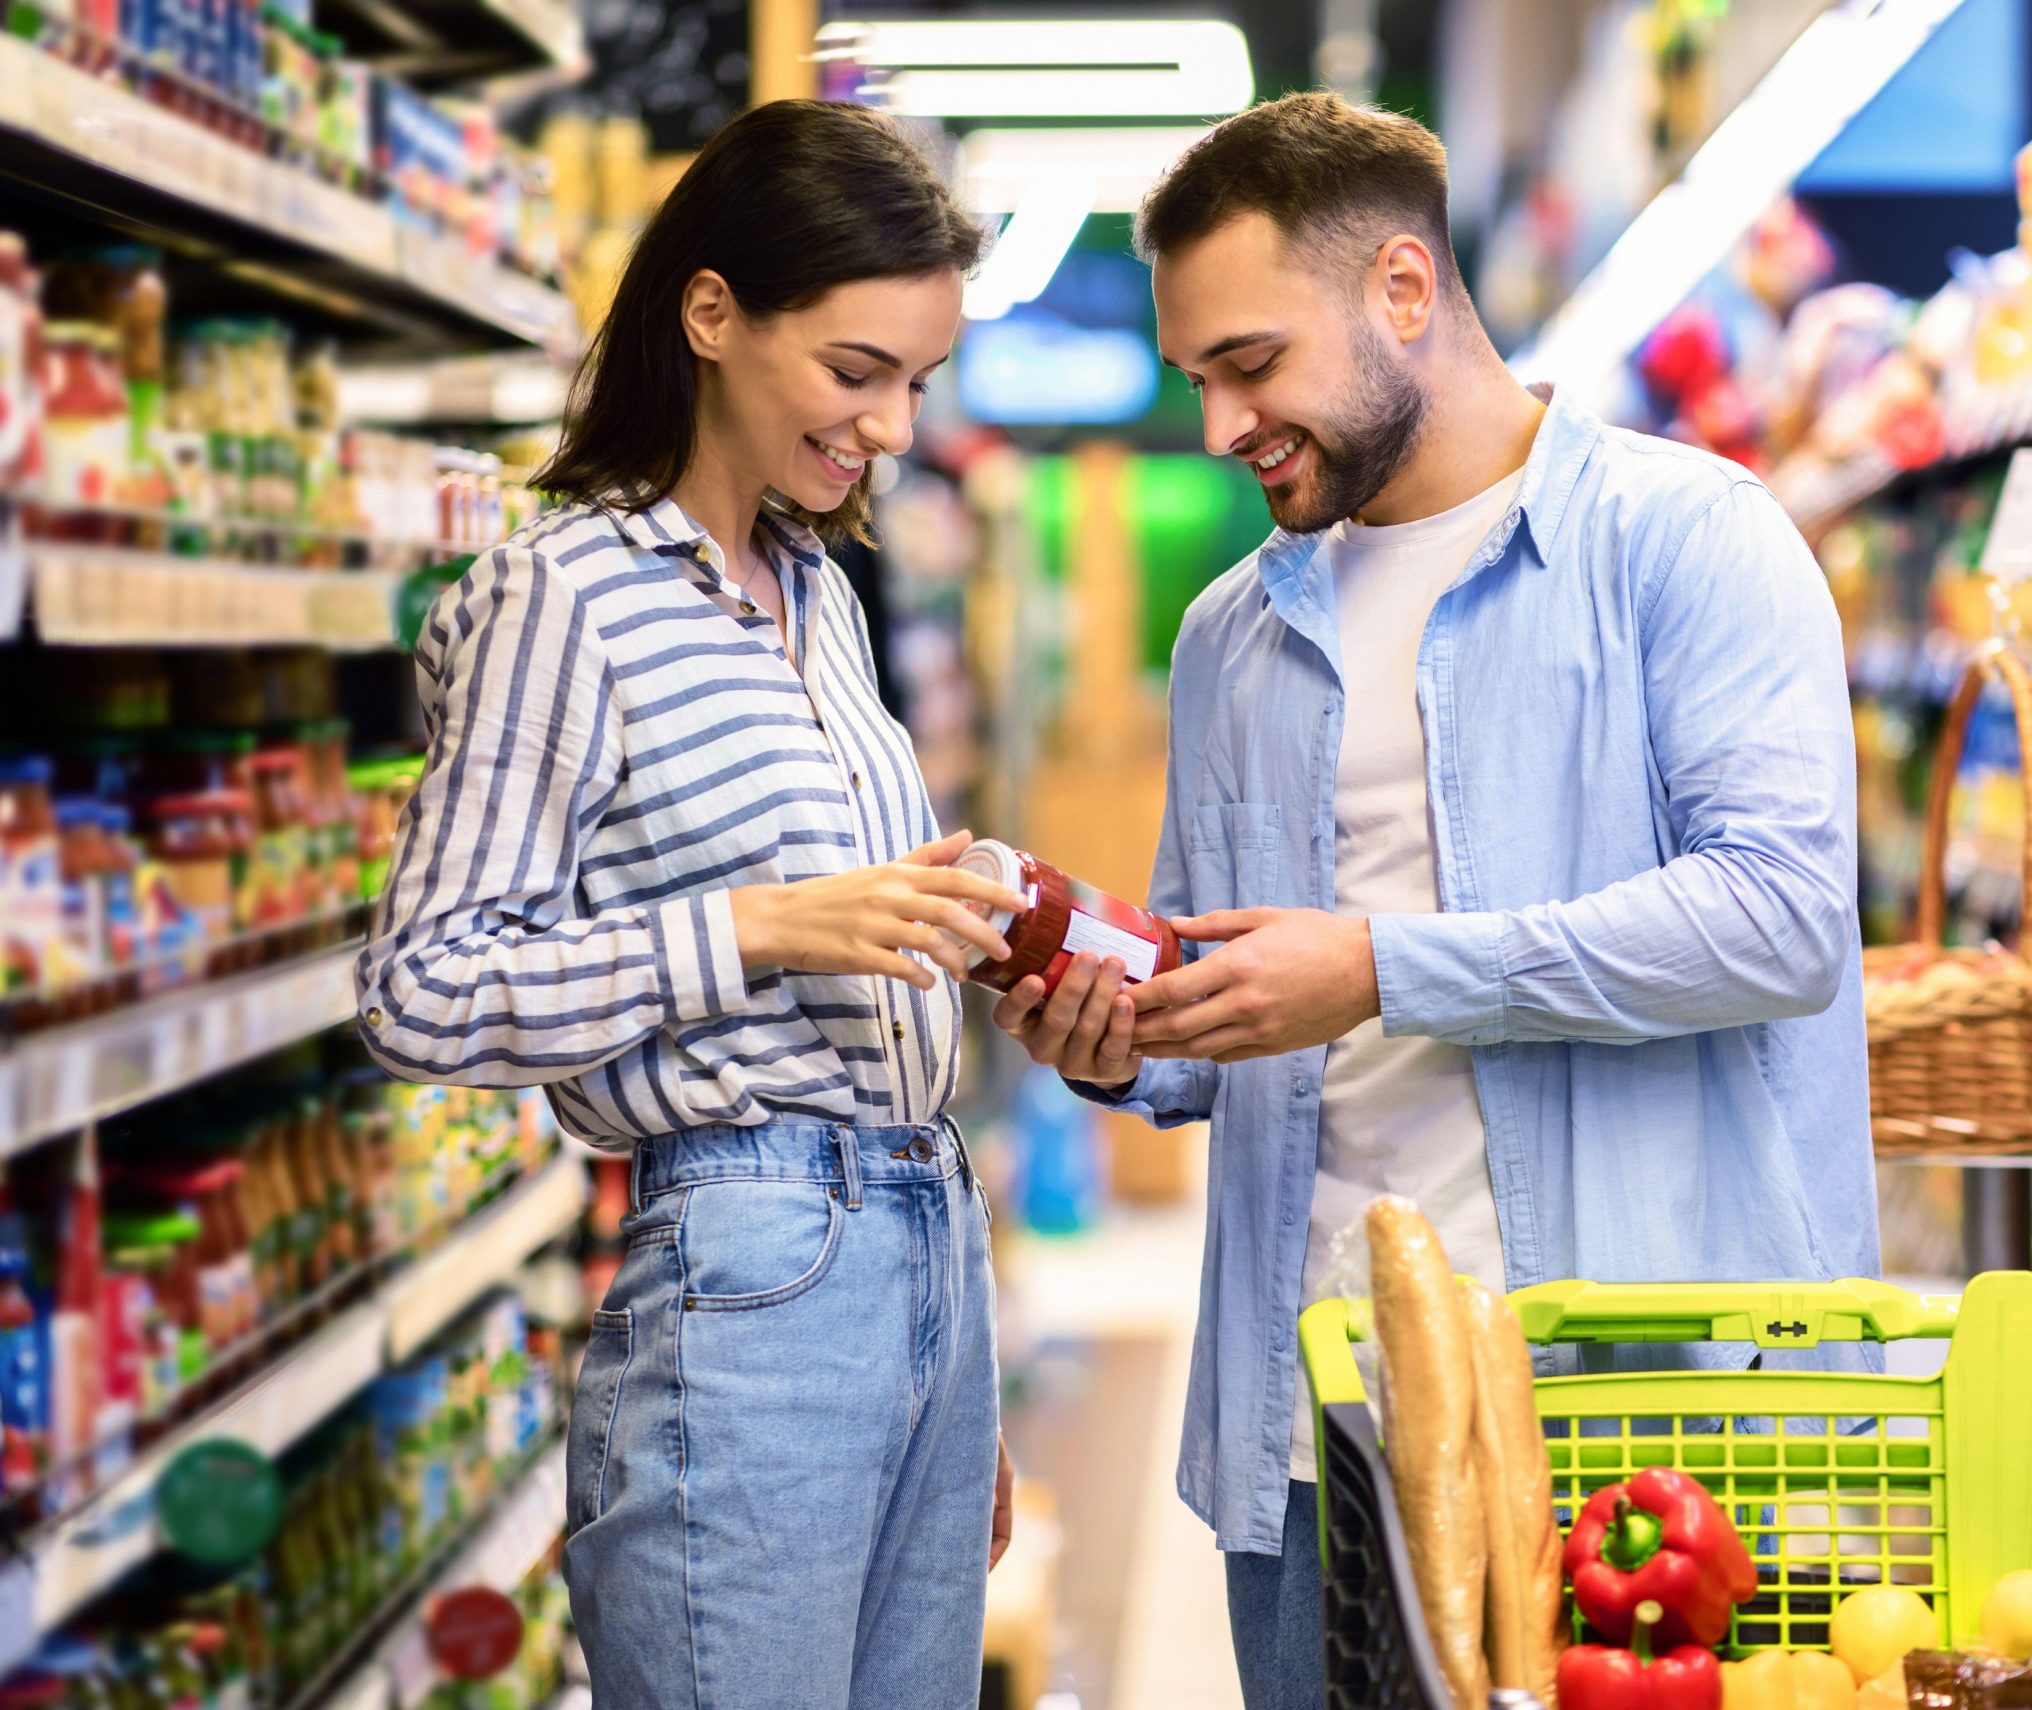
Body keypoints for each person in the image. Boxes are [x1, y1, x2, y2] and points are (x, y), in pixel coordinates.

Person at [993, 92, 1878, 1709]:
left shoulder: (1691, 545)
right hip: (1312, 1422)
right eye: (1198, 379)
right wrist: (1116, 1033)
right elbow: (1219, 1033)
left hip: (1638, 1413)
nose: (1220, 427)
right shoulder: (1230, 639)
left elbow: (1781, 919)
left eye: (1251, 365)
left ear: (1405, 290)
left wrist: (1389, 968)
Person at [356, 100, 1026, 1710]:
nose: (887, 428)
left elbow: (849, 934)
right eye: (855, 372)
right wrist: (762, 923)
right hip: (749, 1268)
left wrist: (977, 928)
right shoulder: (558, 593)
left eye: (916, 385)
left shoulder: (821, 601)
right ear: (710, 313)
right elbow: (421, 986)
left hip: (924, 1247)